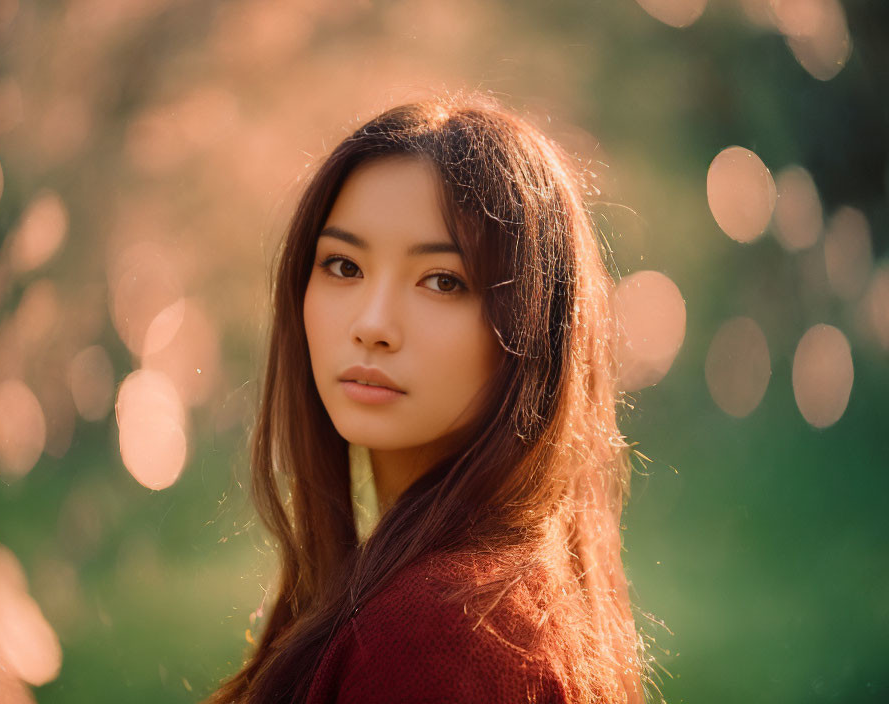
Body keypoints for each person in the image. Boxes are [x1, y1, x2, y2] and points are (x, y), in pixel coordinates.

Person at [204, 90, 649, 703]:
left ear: (529, 330)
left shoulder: (443, 631)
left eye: (442, 281)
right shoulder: (481, 598)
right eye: (343, 266)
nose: (373, 323)